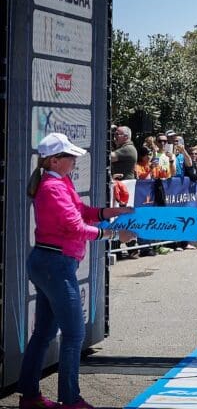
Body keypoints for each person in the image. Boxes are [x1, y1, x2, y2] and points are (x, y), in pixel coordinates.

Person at [18, 133, 137, 409]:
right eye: (70, 157)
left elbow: (82, 212)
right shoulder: (53, 187)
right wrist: (114, 235)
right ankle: (69, 400)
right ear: (55, 160)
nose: (74, 161)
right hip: (55, 265)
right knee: (73, 334)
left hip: (50, 263)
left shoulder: (57, 182)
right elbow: (75, 227)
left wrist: (112, 212)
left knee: (45, 333)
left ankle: (30, 396)